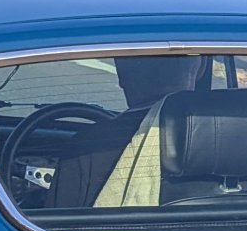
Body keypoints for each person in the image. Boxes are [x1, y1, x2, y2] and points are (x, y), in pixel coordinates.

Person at [48, 55, 202, 207]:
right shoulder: (224, 142)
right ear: (199, 70)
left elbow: (53, 227)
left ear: (121, 76)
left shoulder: (87, 147)